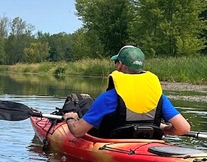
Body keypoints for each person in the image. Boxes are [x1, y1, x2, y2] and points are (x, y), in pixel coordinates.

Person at [60, 45, 191, 139]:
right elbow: (184, 128)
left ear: (120, 65)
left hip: (112, 144)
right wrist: (166, 130)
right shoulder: (157, 96)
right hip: (147, 144)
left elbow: (77, 132)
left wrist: (70, 118)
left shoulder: (109, 97)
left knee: (80, 102)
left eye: (116, 62)